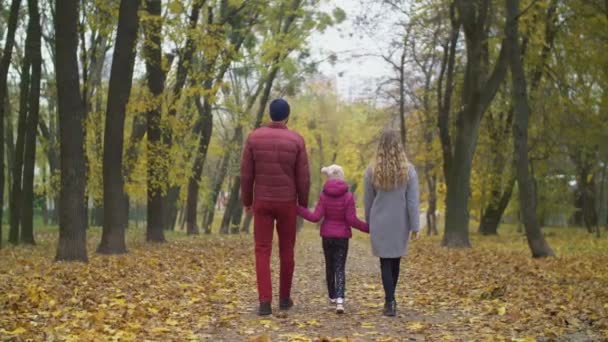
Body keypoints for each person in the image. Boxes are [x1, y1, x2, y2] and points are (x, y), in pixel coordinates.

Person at [240, 98, 310, 316]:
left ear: (270, 114)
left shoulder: (254, 138)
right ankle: (285, 298)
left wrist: (247, 201)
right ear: (287, 116)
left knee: (262, 250)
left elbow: (246, 174)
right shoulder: (296, 140)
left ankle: (264, 302)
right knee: (286, 250)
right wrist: (303, 204)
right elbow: (303, 177)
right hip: (287, 202)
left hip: (262, 201)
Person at [297, 164, 369, 314]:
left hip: (327, 236)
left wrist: (297, 208)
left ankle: (332, 296)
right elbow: (352, 220)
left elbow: (315, 217)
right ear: (342, 177)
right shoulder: (348, 196)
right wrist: (369, 228)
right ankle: (340, 300)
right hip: (342, 238)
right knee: (340, 267)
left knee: (329, 266)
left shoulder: (324, 195)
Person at [364, 130, 420, 317]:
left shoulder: (372, 170)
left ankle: (390, 301)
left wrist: (368, 222)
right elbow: (412, 201)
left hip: (379, 221)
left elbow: (368, 201)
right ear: (399, 146)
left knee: (385, 262)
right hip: (400, 222)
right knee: (395, 261)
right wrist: (415, 225)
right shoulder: (408, 170)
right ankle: (391, 299)